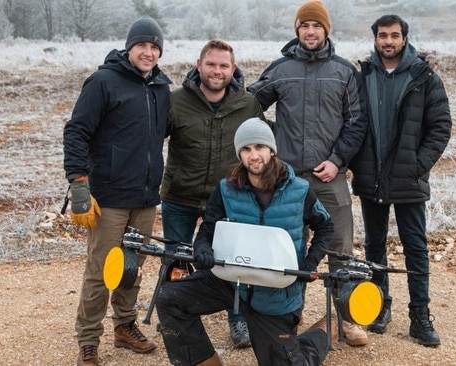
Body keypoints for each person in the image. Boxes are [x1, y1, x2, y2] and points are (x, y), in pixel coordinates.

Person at [156, 118, 335, 366]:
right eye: (247, 149)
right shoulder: (226, 189)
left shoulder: (300, 190)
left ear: (271, 150)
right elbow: (208, 228)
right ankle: (206, 362)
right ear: (239, 154)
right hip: (230, 280)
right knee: (169, 298)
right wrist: (202, 248)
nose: (254, 155)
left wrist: (309, 262)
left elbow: (325, 226)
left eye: (260, 147)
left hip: (275, 292)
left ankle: (326, 329)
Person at [247, 0, 369, 346]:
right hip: (287, 181)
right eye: (304, 26)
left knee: (340, 248)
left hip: (329, 177)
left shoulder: (344, 72)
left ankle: (347, 320)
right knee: (286, 249)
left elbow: (357, 123)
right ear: (297, 30)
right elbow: (247, 107)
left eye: (316, 26)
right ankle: (287, 318)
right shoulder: (280, 69)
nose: (310, 32)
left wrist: (336, 159)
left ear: (326, 30)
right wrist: (271, 148)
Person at [63, 16, 171, 366]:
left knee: (131, 267)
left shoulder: (159, 89)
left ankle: (125, 326)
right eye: (143, 45)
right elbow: (76, 132)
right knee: (100, 271)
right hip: (108, 196)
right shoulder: (103, 82)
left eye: (155, 47)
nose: (149, 52)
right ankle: (88, 341)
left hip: (144, 197)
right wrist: (79, 183)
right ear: (129, 47)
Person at [349, 14, 452, 347]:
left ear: (404, 38)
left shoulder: (424, 78)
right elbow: (350, 122)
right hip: (372, 178)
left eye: (394, 35)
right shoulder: (362, 76)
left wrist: (417, 165)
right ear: (375, 39)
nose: (388, 41)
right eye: (382, 36)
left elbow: (441, 126)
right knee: (374, 246)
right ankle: (379, 307)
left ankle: (420, 318)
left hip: (408, 179)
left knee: (415, 249)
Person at [160, 39, 265, 349]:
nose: (217, 71)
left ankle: (238, 319)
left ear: (233, 69)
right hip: (180, 195)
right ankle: (175, 316)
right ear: (198, 65)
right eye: (211, 64)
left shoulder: (248, 104)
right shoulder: (175, 101)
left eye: (223, 66)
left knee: (233, 261)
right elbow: (149, 139)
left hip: (228, 197)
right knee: (176, 259)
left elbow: (258, 148)